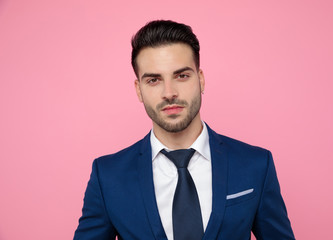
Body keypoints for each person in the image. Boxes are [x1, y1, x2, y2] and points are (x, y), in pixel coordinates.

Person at [74, 20, 295, 240]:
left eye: (181, 76)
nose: (169, 92)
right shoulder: (108, 177)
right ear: (138, 90)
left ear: (200, 79)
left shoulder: (256, 164)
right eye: (153, 80)